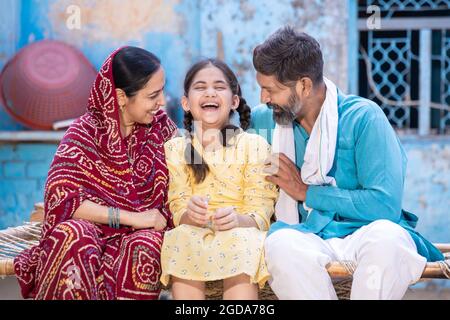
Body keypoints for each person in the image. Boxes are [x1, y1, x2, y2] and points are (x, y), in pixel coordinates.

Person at [250, 26, 444, 300]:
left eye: (271, 90)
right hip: (303, 234)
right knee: (280, 245)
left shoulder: (364, 118)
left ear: (304, 85)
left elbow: (384, 205)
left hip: (363, 235)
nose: (263, 98)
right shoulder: (263, 121)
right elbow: (225, 153)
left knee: (388, 239)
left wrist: (307, 192)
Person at [13, 46, 177, 300]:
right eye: (153, 94)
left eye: (162, 91)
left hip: (143, 234)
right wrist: (133, 217)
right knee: (73, 235)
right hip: (93, 230)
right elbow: (64, 201)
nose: (162, 101)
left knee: (145, 245)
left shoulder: (162, 129)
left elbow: (193, 170)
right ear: (121, 97)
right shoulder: (83, 134)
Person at [160, 59, 278, 300]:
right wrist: (189, 215)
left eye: (219, 86)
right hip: (193, 233)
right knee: (181, 236)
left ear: (234, 101)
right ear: (185, 102)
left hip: (241, 232)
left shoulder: (255, 146)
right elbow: (178, 204)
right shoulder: (175, 148)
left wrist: (238, 219)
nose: (210, 92)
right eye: (200, 87)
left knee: (242, 239)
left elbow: (261, 210)